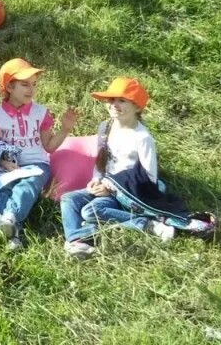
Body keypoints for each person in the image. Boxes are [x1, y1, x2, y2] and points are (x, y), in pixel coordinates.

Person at [60, 78, 177, 259]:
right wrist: (96, 179)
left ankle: (145, 224)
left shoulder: (142, 138)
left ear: (137, 107)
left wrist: (112, 189)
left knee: (91, 211)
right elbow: (102, 157)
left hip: (129, 194)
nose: (114, 105)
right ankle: (78, 241)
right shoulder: (106, 127)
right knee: (68, 199)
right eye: (111, 100)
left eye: (122, 101)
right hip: (105, 186)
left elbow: (149, 178)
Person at [0, 58, 78, 250]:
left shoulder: (41, 113)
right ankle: (14, 232)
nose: (31, 89)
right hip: (7, 165)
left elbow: (49, 146)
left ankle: (9, 218)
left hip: (36, 164)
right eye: (24, 84)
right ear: (9, 86)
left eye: (34, 84)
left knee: (27, 186)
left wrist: (65, 129)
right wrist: (4, 163)